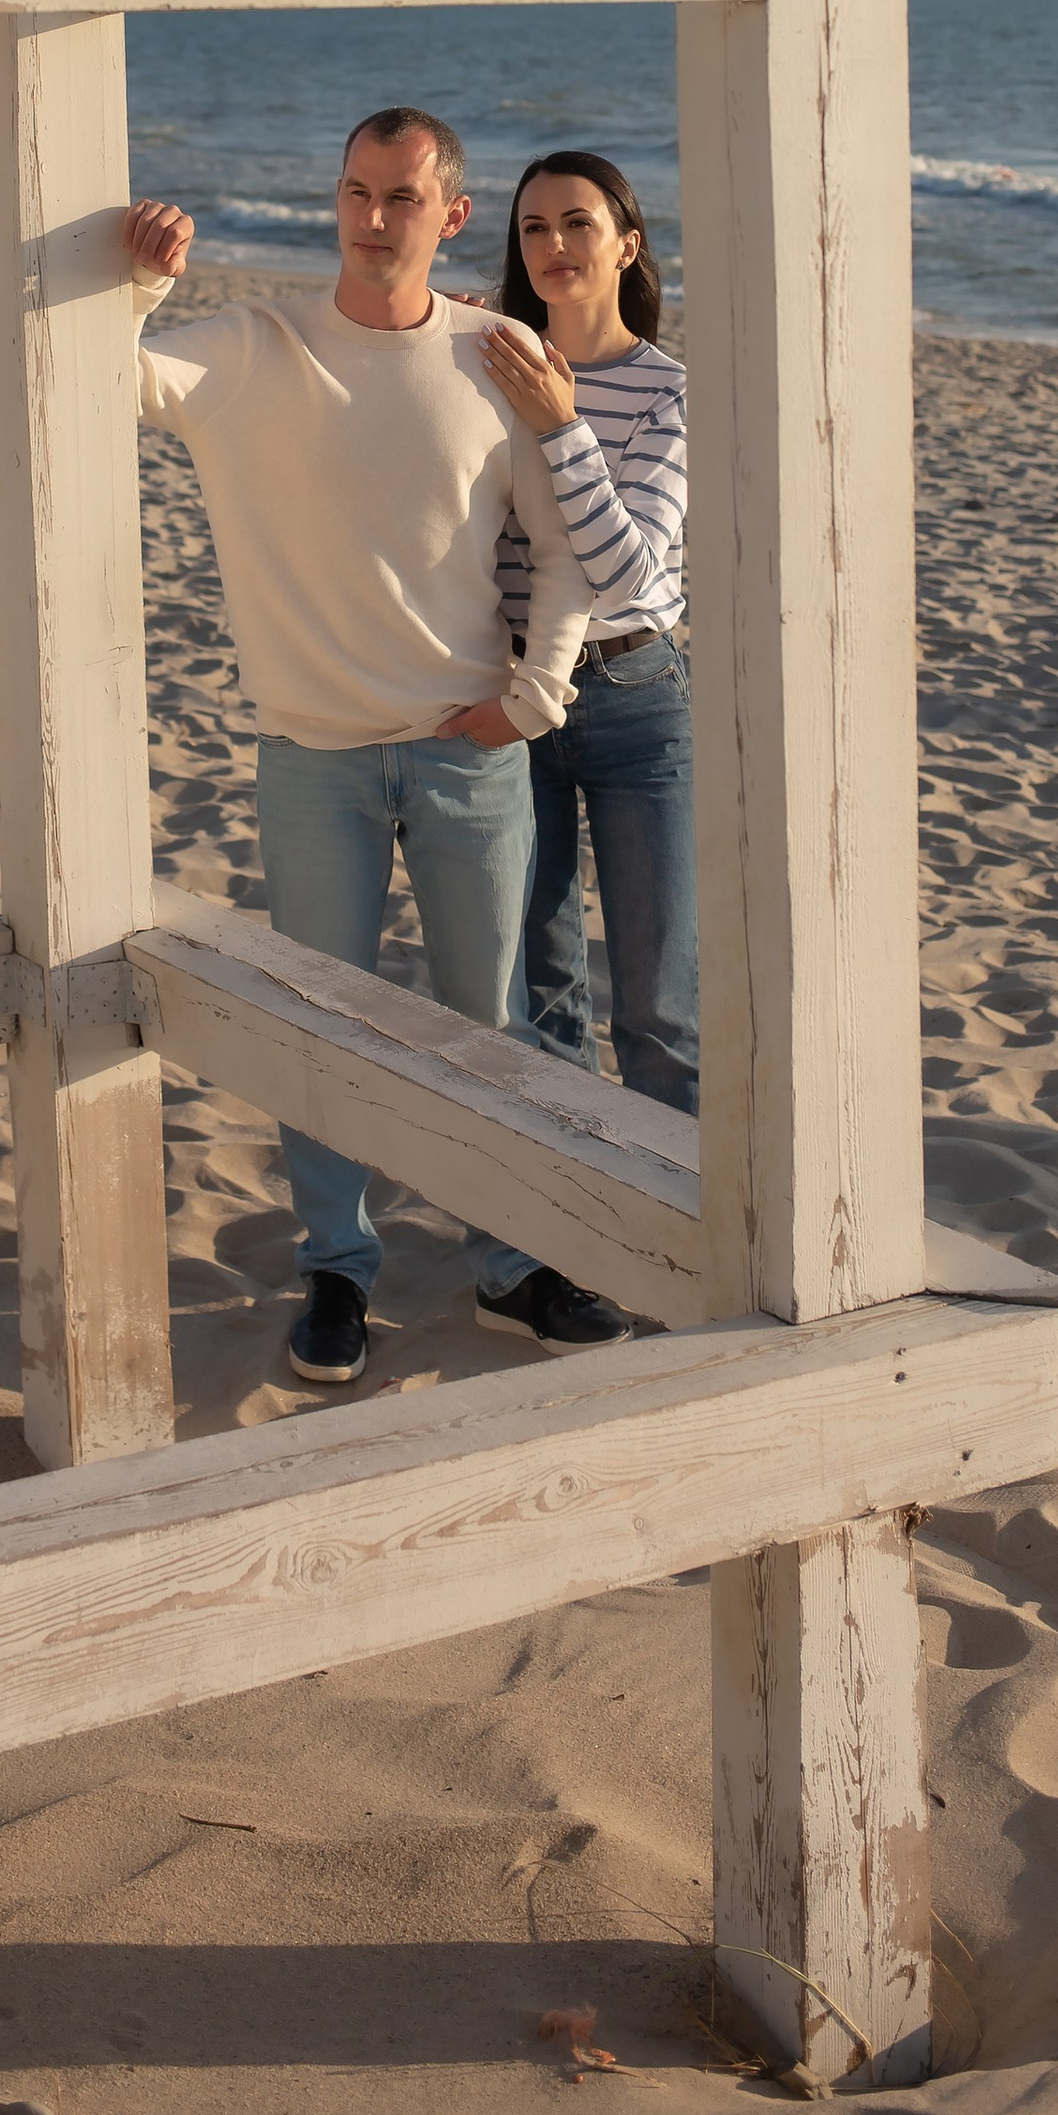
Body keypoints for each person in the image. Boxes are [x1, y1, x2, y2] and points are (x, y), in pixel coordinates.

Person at [124, 106, 634, 1388]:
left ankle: (513, 1264)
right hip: (312, 758)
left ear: (450, 215)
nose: (370, 219)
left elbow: (567, 544)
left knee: (491, 1026)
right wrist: (138, 281)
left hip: (469, 752)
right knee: (321, 1030)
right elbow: (102, 378)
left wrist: (538, 694)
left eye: (401, 199)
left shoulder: (496, 352)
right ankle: (337, 1272)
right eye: (354, 191)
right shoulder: (252, 347)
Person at [474, 152, 695, 1117]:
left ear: (625, 246)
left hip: (636, 703)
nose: (555, 245)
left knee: (659, 1008)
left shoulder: (669, 392)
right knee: (541, 994)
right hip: (510, 699)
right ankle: (579, 1239)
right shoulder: (485, 364)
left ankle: (684, 1242)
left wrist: (564, 429)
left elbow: (629, 573)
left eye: (578, 224)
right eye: (534, 228)